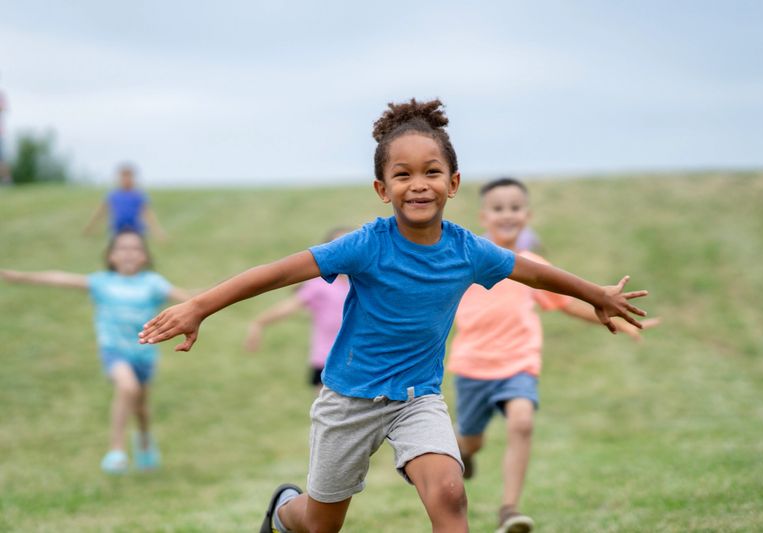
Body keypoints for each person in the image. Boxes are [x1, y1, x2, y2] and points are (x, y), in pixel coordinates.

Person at [137, 98, 648, 533]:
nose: (418, 184)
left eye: (431, 172)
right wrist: (200, 305)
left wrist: (594, 295)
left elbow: (534, 274)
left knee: (450, 494)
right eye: (402, 174)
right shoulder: (366, 244)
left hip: (416, 398)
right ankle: (282, 511)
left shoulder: (469, 250)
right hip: (348, 400)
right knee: (320, 523)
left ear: (454, 182)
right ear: (383, 188)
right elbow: (279, 273)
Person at [449, 177, 660, 532]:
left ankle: (509, 510)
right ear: (484, 215)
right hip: (472, 366)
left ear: (527, 215)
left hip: (519, 363)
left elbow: (566, 302)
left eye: (515, 208)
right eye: (498, 208)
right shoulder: (470, 260)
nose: (507, 215)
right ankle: (466, 452)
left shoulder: (532, 264)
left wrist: (617, 321)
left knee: (522, 421)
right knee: (471, 439)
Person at [1, 231, 190, 474]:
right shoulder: (101, 282)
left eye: (135, 248)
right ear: (111, 256)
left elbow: (187, 300)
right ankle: (117, 450)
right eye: (122, 248)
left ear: (145, 256)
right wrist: (20, 277)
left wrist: (217, 297)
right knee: (127, 387)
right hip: (114, 352)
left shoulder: (153, 283)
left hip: (144, 354)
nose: (129, 253)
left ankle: (144, 441)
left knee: (141, 407)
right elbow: (59, 278)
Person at [244, 227, 352, 392]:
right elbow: (289, 306)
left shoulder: (364, 282)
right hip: (328, 362)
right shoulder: (320, 284)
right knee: (331, 416)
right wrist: (259, 323)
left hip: (362, 363)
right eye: (338, 245)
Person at [83, 163, 167, 239]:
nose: (126, 179)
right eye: (123, 177)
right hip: (117, 229)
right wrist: (90, 227)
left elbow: (148, 214)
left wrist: (158, 232)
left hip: (136, 229)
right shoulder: (113, 195)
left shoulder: (139, 195)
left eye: (129, 176)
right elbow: (100, 212)